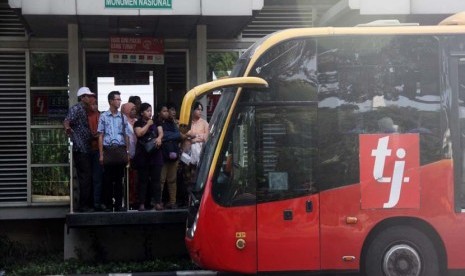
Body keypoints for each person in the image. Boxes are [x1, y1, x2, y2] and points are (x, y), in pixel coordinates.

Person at [97, 91, 131, 212]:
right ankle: (107, 204)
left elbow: (127, 135)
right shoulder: (104, 116)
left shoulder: (123, 117)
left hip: (120, 149)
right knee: (107, 179)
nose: (119, 101)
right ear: (111, 101)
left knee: (119, 179)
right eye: (117, 99)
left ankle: (118, 204)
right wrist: (101, 154)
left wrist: (127, 152)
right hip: (108, 149)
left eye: (119, 99)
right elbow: (100, 135)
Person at [63, 87, 95, 212]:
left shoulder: (86, 110)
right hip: (80, 148)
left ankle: (87, 203)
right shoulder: (76, 108)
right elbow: (66, 121)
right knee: (85, 177)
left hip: (87, 147)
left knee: (88, 176)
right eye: (88, 96)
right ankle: (83, 205)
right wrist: (68, 129)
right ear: (82, 97)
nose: (91, 98)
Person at [133, 103, 164, 211]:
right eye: (147, 111)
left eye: (150, 110)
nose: (150, 113)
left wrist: (159, 138)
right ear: (142, 112)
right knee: (143, 180)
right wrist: (148, 124)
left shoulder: (157, 121)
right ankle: (142, 203)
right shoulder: (138, 122)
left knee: (156, 180)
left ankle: (158, 202)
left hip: (155, 154)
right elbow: (139, 133)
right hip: (143, 154)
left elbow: (160, 132)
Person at [180, 101, 209, 206]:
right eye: (198, 109)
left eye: (201, 109)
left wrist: (194, 138)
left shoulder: (204, 123)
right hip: (187, 153)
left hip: (199, 155)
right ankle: (187, 200)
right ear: (192, 110)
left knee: (197, 176)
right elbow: (184, 133)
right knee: (187, 177)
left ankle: (196, 200)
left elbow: (206, 137)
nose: (200, 111)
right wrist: (196, 136)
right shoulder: (186, 123)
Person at [160, 103, 184, 209]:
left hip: (174, 154)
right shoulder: (159, 122)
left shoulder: (174, 123)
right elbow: (162, 136)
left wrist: (171, 135)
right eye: (167, 110)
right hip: (162, 154)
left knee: (172, 179)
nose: (171, 112)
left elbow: (180, 135)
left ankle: (173, 201)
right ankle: (158, 201)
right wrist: (174, 135)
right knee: (161, 179)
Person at [86, 96, 104, 211]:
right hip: (87, 150)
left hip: (98, 150)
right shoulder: (85, 116)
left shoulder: (101, 116)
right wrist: (95, 135)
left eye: (96, 103)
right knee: (88, 178)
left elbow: (102, 132)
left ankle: (97, 203)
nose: (95, 106)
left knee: (98, 178)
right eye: (92, 104)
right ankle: (89, 203)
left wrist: (96, 135)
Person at [121, 102, 138, 209]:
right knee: (127, 179)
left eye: (135, 109)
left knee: (136, 179)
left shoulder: (137, 121)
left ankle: (135, 200)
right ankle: (127, 201)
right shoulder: (122, 121)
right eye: (132, 109)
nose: (134, 111)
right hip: (126, 154)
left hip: (137, 154)